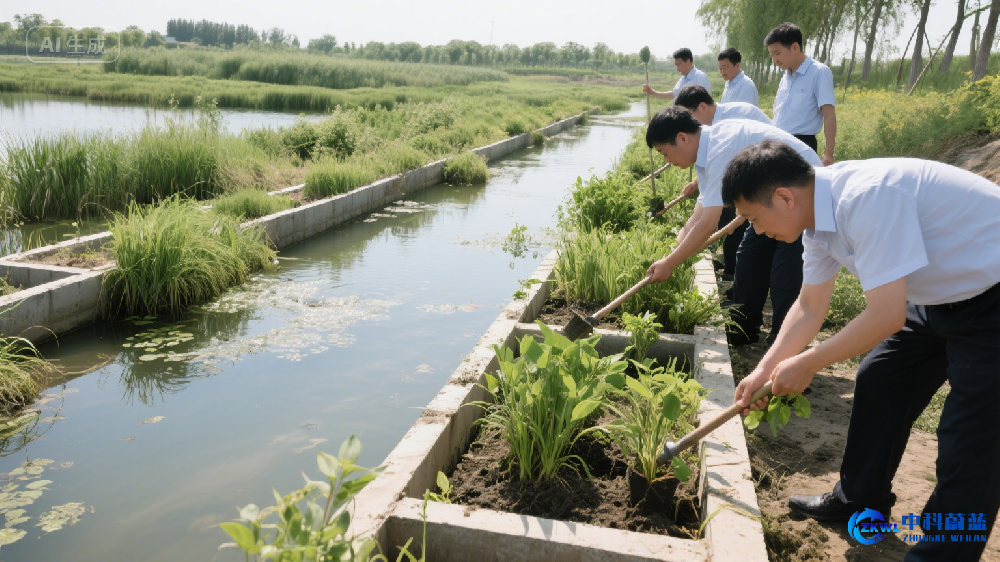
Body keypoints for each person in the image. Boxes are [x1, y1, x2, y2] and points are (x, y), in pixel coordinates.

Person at [723, 140, 1000, 562]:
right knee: (881, 378)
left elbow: (887, 314)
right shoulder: (815, 218)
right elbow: (809, 307)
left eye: (755, 219)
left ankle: (941, 556)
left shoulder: (867, 197)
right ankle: (859, 498)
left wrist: (809, 363)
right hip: (944, 297)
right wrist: (765, 370)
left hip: (993, 296)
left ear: (784, 197)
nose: (757, 231)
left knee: (972, 437)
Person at [643, 107, 821, 324]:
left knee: (784, 270)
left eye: (665, 152)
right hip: (768, 201)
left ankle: (780, 336)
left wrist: (670, 263)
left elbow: (709, 222)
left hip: (799, 197)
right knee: (748, 258)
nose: (668, 161)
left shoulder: (720, 147)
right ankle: (744, 328)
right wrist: (675, 248)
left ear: (682, 138)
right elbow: (700, 211)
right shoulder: (704, 151)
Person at [671, 84, 770, 280]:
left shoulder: (736, 117)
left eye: (688, 117)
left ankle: (736, 277)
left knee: (755, 244)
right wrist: (679, 244)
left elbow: (722, 162)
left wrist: (672, 259)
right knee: (745, 245)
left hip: (769, 186)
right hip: (748, 185)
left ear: (702, 107)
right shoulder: (705, 137)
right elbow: (709, 188)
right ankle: (734, 277)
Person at [765, 22, 836, 166]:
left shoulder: (819, 72)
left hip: (801, 146)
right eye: (772, 55)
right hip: (777, 144)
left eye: (777, 53)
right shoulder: (786, 77)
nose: (775, 60)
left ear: (795, 47)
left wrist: (828, 154)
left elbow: (829, 114)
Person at [642, 48, 712, 101]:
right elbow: (673, 94)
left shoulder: (699, 77)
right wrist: (653, 92)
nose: (677, 69)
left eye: (678, 64)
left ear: (688, 61)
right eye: (676, 65)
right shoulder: (684, 78)